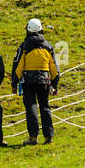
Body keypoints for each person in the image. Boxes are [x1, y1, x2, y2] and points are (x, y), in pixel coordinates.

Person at [11, 17, 60, 145]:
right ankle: (49, 137)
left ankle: (33, 137)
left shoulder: (25, 46)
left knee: (31, 107)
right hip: (44, 81)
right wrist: (55, 85)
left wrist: (14, 84)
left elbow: (18, 66)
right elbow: (54, 68)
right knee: (45, 107)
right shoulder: (48, 46)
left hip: (28, 82)